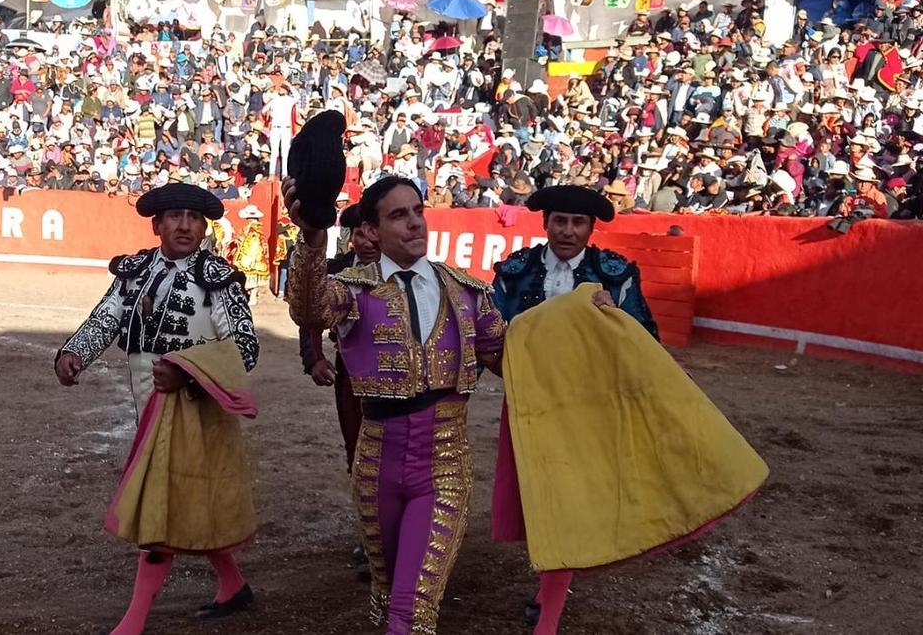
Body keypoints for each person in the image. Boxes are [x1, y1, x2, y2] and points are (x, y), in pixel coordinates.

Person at [489, 186, 767, 635]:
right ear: (545, 224)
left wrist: (615, 315)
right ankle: (549, 593)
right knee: (548, 497)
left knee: (568, 500)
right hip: (535, 406)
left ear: (591, 228)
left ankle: (549, 614)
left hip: (594, 405)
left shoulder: (614, 274)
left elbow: (643, 340)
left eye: (578, 223)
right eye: (559, 221)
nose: (567, 231)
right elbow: (492, 336)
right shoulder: (516, 271)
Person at [283, 175, 506, 635]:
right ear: (371, 230)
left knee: (411, 609)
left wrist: (583, 330)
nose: (414, 224)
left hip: (443, 463)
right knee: (386, 597)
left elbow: (515, 360)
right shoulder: (353, 290)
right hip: (376, 463)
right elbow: (307, 310)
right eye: (398, 215)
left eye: (418, 211)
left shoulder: (465, 291)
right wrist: (312, 237)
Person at [53, 183, 260, 635]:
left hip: (199, 410)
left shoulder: (217, 278)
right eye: (174, 216)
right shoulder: (136, 271)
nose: (184, 225)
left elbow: (245, 347)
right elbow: (106, 317)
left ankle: (134, 619)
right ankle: (232, 585)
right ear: (157, 224)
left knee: (160, 507)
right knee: (187, 503)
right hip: (148, 408)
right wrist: (74, 353)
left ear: (204, 226)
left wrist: (188, 374)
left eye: (193, 217)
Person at [297, 203, 381, 579]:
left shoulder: (410, 271)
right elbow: (311, 319)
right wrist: (314, 358)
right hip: (352, 374)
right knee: (359, 454)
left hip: (406, 378)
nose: (364, 242)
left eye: (370, 232)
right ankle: (372, 537)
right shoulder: (337, 272)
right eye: (356, 234)